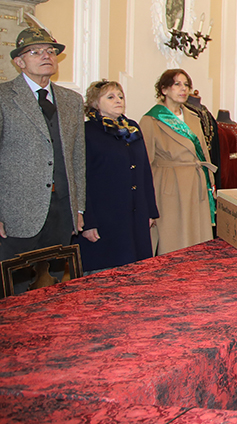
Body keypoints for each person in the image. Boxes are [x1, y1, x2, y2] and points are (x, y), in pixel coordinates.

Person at [0, 28, 86, 261]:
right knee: (16, 291)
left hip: (62, 210)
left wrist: (78, 208)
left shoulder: (72, 100)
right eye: (35, 52)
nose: (46, 56)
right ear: (19, 62)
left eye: (50, 51)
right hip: (16, 213)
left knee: (57, 287)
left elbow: (77, 158)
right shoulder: (4, 97)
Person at [81, 80, 159, 271]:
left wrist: (150, 211)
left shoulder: (131, 128)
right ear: (95, 103)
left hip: (135, 212)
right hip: (104, 216)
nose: (118, 100)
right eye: (111, 97)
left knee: (137, 271)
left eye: (121, 96)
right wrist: (87, 222)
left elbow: (144, 171)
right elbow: (81, 180)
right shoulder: (87, 132)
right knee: (105, 275)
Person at [140, 69, 216, 254]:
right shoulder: (151, 120)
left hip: (196, 182)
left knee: (197, 235)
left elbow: (203, 153)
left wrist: (210, 183)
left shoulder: (194, 118)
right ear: (164, 89)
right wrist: (147, 201)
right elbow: (145, 164)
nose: (183, 89)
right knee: (174, 237)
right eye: (177, 84)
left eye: (186, 85)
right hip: (169, 186)